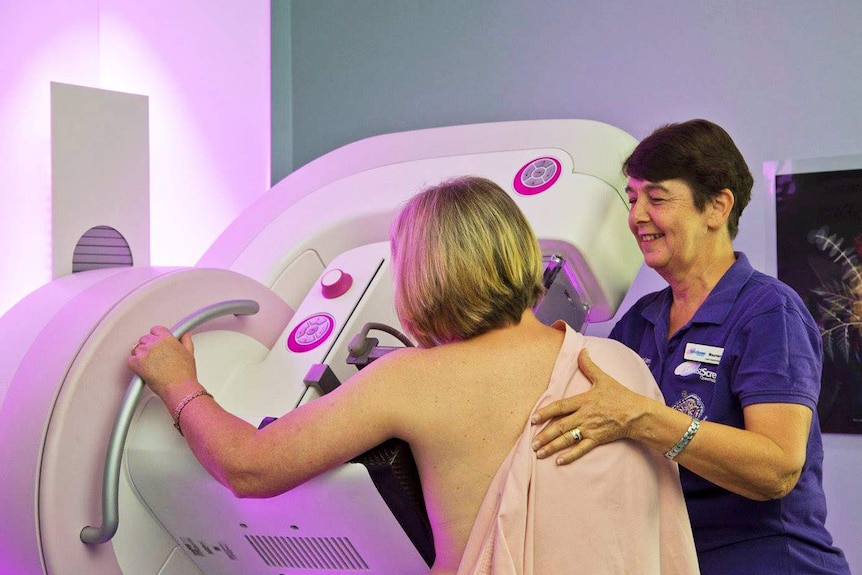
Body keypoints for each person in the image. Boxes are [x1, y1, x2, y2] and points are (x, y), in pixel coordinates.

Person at [129, 176, 699, 575]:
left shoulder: (411, 379)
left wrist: (179, 383)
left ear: (419, 276)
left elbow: (249, 467)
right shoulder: (617, 365)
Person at [530, 119, 851, 575]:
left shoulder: (768, 311)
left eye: (656, 198)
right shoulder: (641, 321)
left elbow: (777, 467)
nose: (637, 215)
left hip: (768, 560)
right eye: (633, 197)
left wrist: (643, 418)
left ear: (717, 207)